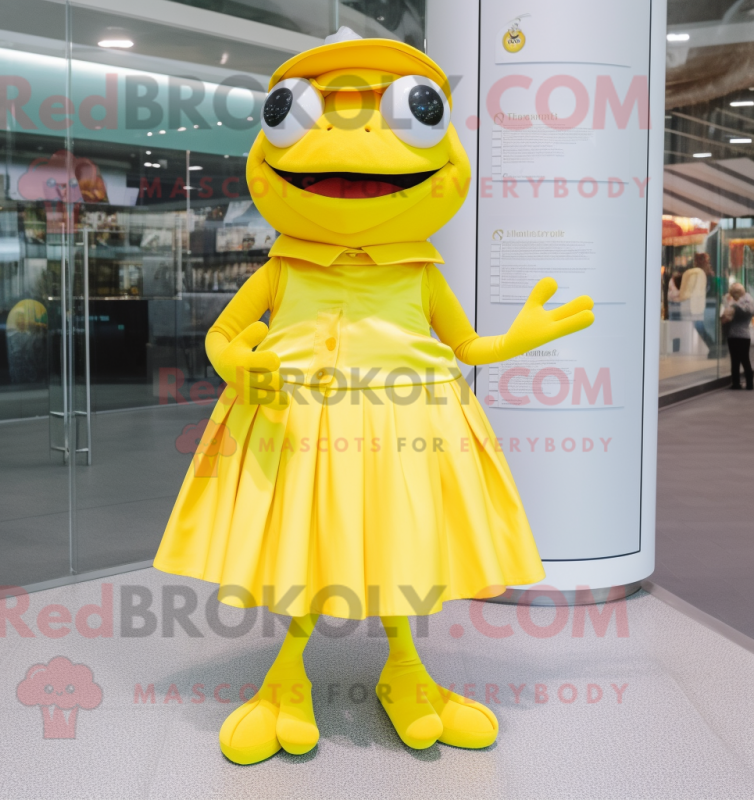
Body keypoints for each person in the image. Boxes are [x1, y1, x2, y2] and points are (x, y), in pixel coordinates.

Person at [153, 28, 595, 764]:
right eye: (306, 115)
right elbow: (223, 338)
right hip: (295, 425)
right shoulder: (283, 268)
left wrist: (514, 340)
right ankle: (284, 677)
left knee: (397, 548)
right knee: (305, 552)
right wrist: (240, 367)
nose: (348, 153)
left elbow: (469, 347)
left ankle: (405, 672)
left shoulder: (420, 272)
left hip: (406, 426)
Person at [721, 283, 754, 390]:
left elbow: (725, 317)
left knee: (735, 360)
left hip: (734, 334)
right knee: (745, 359)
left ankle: (736, 383)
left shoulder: (733, 305)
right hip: (744, 335)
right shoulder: (748, 304)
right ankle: (749, 383)